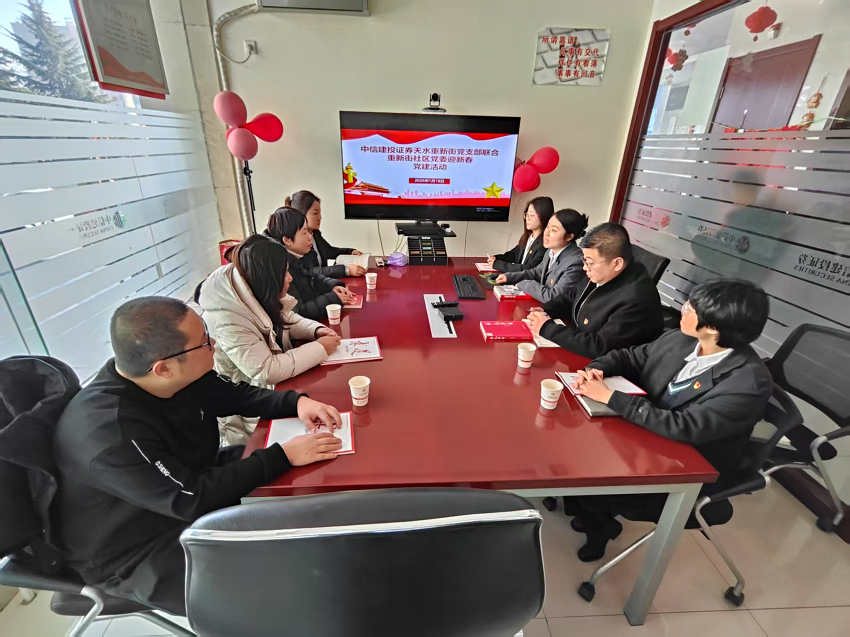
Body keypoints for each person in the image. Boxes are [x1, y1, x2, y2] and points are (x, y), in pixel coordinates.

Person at [52, 297, 344, 616]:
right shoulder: (111, 433)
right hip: (139, 547)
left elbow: (234, 395)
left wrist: (296, 403)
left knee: (293, 483)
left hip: (185, 482)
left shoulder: (168, 375)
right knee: (286, 585)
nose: (213, 343)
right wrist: (282, 456)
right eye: (204, 341)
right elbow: (190, 498)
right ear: (163, 368)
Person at [563, 278, 773, 562]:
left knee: (590, 473)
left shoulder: (747, 383)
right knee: (575, 445)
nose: (682, 309)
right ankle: (593, 513)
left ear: (713, 328)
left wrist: (611, 398)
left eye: (691, 307)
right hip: (646, 436)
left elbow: (685, 427)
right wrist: (596, 370)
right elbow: (631, 357)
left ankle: (600, 524)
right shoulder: (683, 339)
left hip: (684, 466)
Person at [197, 234, 342, 444]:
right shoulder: (227, 318)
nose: (290, 278)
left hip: (271, 398)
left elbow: (285, 317)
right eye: (284, 273)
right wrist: (320, 348)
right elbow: (266, 370)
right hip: (250, 416)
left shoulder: (253, 288)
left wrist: (315, 330)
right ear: (266, 277)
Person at [524, 223, 664, 358]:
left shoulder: (636, 298)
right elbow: (572, 296)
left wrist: (547, 328)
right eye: (584, 260)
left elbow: (600, 346)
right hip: (579, 346)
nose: (585, 267)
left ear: (617, 263)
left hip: (608, 367)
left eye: (590, 262)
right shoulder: (603, 273)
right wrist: (546, 310)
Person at [265, 207, 357, 322]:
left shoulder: (298, 255)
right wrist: (333, 299)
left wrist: (333, 287)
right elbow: (299, 312)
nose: (310, 237)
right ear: (287, 240)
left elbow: (314, 277)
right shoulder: (282, 269)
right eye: (304, 232)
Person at [493, 208, 589, 304]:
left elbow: (553, 297)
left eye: (554, 230)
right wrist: (509, 277)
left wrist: (524, 284)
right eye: (547, 226)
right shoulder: (550, 251)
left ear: (569, 236)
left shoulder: (575, 262)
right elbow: (536, 273)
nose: (546, 233)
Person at [287, 190, 366, 279]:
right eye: (315, 213)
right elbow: (311, 271)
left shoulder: (315, 233)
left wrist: (350, 251)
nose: (320, 217)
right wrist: (345, 270)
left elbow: (329, 251)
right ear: (301, 214)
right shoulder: (297, 241)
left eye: (319, 213)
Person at [487, 196, 555, 273]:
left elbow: (528, 268)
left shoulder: (545, 243)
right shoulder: (529, 237)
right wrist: (497, 258)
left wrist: (498, 264)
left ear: (544, 216)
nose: (527, 219)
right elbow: (514, 254)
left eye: (532, 215)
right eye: (527, 215)